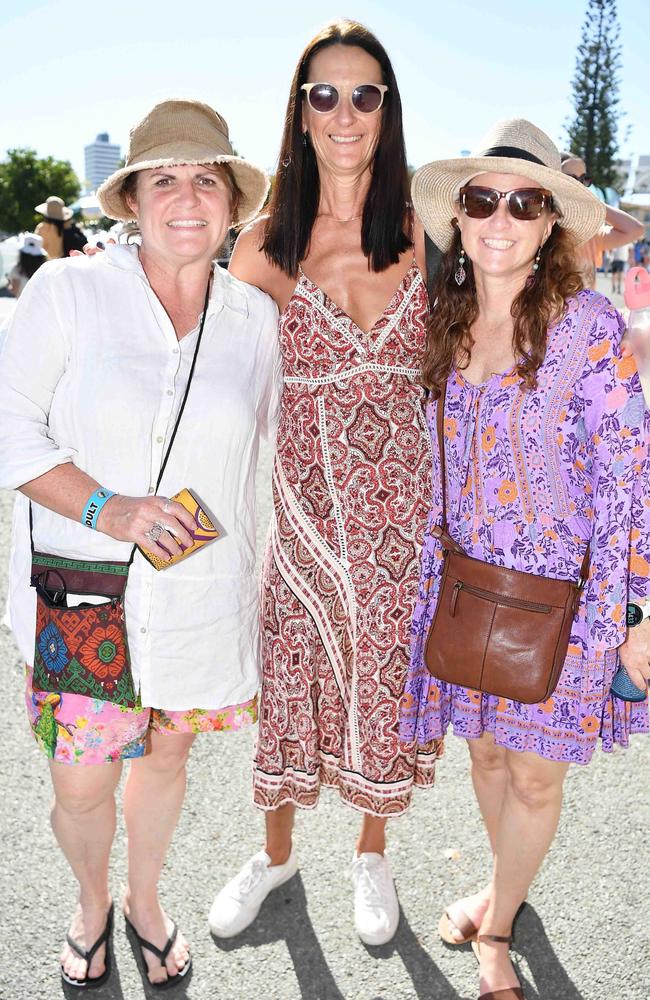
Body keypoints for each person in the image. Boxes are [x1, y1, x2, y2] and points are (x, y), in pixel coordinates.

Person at [0, 98, 278, 989]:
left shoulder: (256, 323)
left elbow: (272, 466)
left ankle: (145, 901)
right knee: (82, 783)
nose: (187, 197)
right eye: (165, 179)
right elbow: (8, 426)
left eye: (207, 179)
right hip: (82, 592)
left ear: (232, 202)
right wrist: (106, 509)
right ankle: (91, 902)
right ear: (132, 199)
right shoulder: (69, 291)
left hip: (198, 598)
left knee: (163, 760)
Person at [401, 119, 650, 1000]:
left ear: (551, 226)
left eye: (526, 202)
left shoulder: (588, 324)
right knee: (488, 759)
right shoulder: (445, 320)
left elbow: (632, 474)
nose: (500, 218)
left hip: (570, 602)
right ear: (460, 220)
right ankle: (504, 885)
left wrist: (637, 614)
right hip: (468, 590)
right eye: (482, 199)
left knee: (536, 780)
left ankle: (499, 926)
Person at [208, 19, 441, 948]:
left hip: (400, 523)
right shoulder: (263, 249)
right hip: (303, 522)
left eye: (365, 94)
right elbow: (217, 390)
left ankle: (370, 852)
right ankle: (276, 856)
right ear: (300, 114)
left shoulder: (427, 236)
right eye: (324, 94)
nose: (345, 112)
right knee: (294, 682)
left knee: (382, 685)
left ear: (388, 113)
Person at [560, 154, 644, 288]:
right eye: (572, 179)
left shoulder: (590, 232)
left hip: (589, 309)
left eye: (584, 179)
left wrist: (595, 204)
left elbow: (635, 230)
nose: (580, 185)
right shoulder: (541, 227)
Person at [7, 232, 48, 298]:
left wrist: (8, 284)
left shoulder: (17, 269)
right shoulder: (45, 269)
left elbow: (14, 290)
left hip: (23, 306)